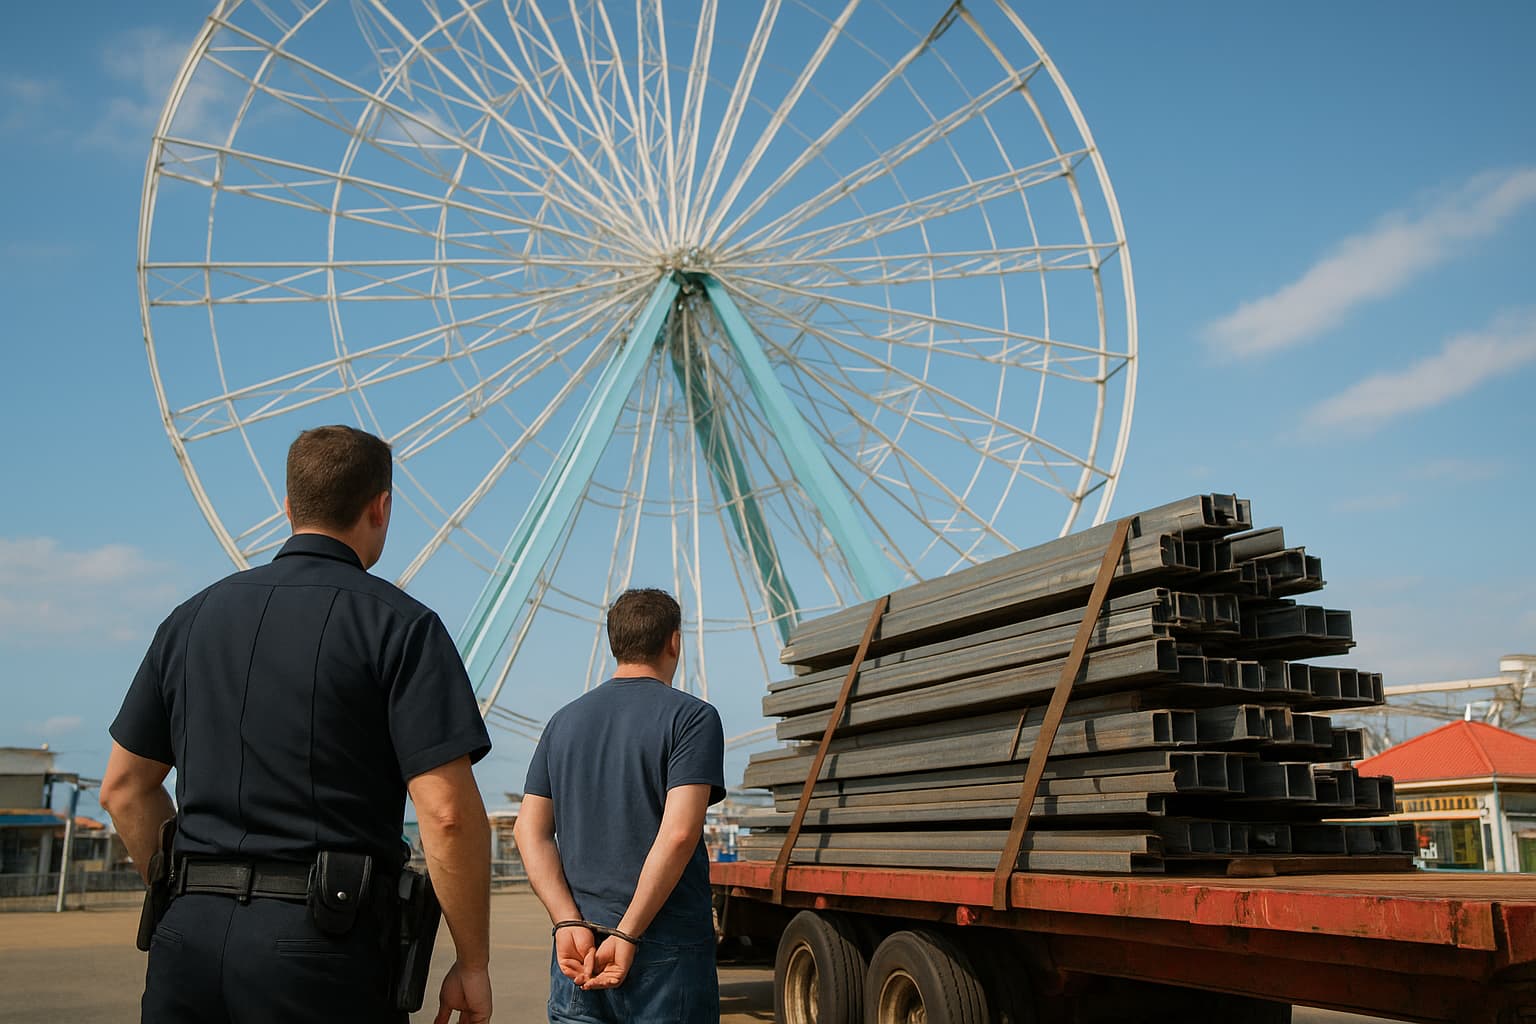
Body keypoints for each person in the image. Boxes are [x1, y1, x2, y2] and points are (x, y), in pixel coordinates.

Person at [99, 424, 495, 1024]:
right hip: (323, 946)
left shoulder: (188, 620)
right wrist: (472, 962)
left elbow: (123, 789)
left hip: (186, 940)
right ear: (381, 507)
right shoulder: (400, 626)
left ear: (287, 505)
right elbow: (447, 814)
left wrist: (185, 883)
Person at [514, 588, 726, 1024]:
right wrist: (628, 932)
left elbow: (528, 831)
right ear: (674, 642)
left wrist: (566, 922)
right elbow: (680, 832)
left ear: (615, 643)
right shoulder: (692, 718)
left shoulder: (563, 722)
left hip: (579, 948)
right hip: (665, 947)